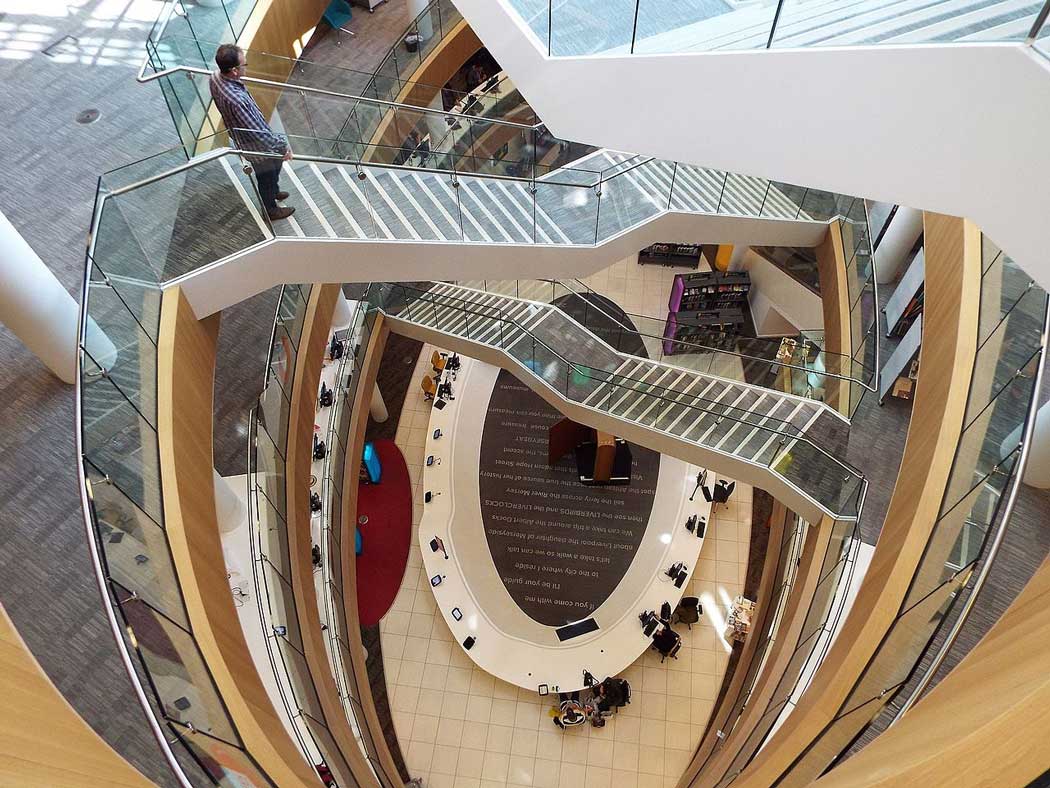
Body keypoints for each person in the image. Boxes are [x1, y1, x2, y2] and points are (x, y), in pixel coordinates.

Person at [210, 44, 295, 221]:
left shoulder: (215, 77)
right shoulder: (237, 100)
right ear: (234, 71)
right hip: (256, 147)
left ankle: (275, 190)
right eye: (244, 65)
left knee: (273, 168)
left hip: (242, 138)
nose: (246, 67)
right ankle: (271, 209)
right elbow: (258, 133)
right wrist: (283, 146)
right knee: (266, 176)